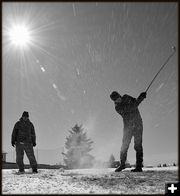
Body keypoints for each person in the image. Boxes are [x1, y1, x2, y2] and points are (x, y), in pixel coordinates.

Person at [110, 91, 146, 172]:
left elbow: (135, 102)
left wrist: (141, 97)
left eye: (118, 98)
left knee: (138, 146)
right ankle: (122, 165)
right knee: (124, 146)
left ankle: (139, 167)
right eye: (115, 100)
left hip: (138, 125)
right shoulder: (117, 108)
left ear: (120, 95)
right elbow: (132, 107)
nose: (117, 100)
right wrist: (140, 98)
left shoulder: (126, 97)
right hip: (128, 127)